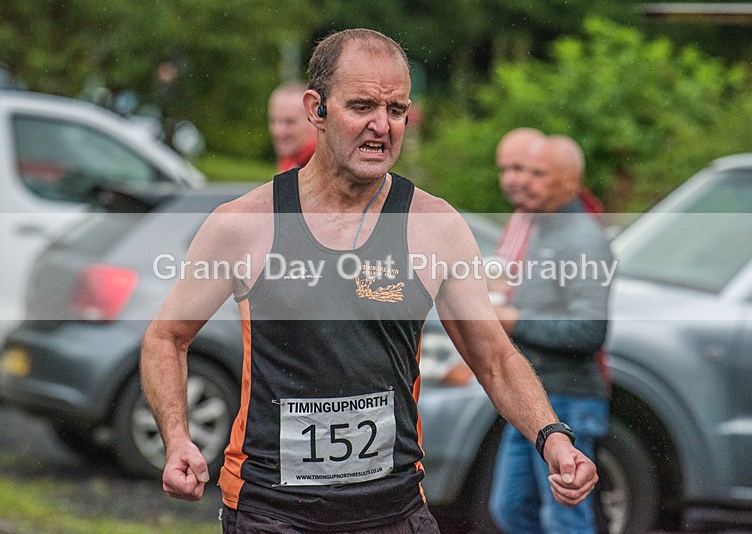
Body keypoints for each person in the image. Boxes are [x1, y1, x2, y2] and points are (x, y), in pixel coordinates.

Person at [140, 28, 598, 533]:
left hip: (393, 510)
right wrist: (178, 438)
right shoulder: (245, 224)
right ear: (317, 109)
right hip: (271, 511)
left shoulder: (435, 227)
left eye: (397, 110)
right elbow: (166, 337)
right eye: (362, 107)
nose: (382, 125)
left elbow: (494, 357)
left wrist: (552, 436)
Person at [488, 134, 612, 534]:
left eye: (538, 174)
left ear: (570, 180)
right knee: (509, 510)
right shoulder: (541, 225)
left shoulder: (583, 237)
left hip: (570, 400)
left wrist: (514, 321)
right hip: (532, 397)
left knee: (565, 519)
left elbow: (590, 331)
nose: (525, 182)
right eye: (520, 170)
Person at [268, 81, 317, 172]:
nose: (278, 131)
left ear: (314, 120)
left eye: (290, 122)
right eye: (273, 121)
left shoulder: (326, 164)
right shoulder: (291, 159)